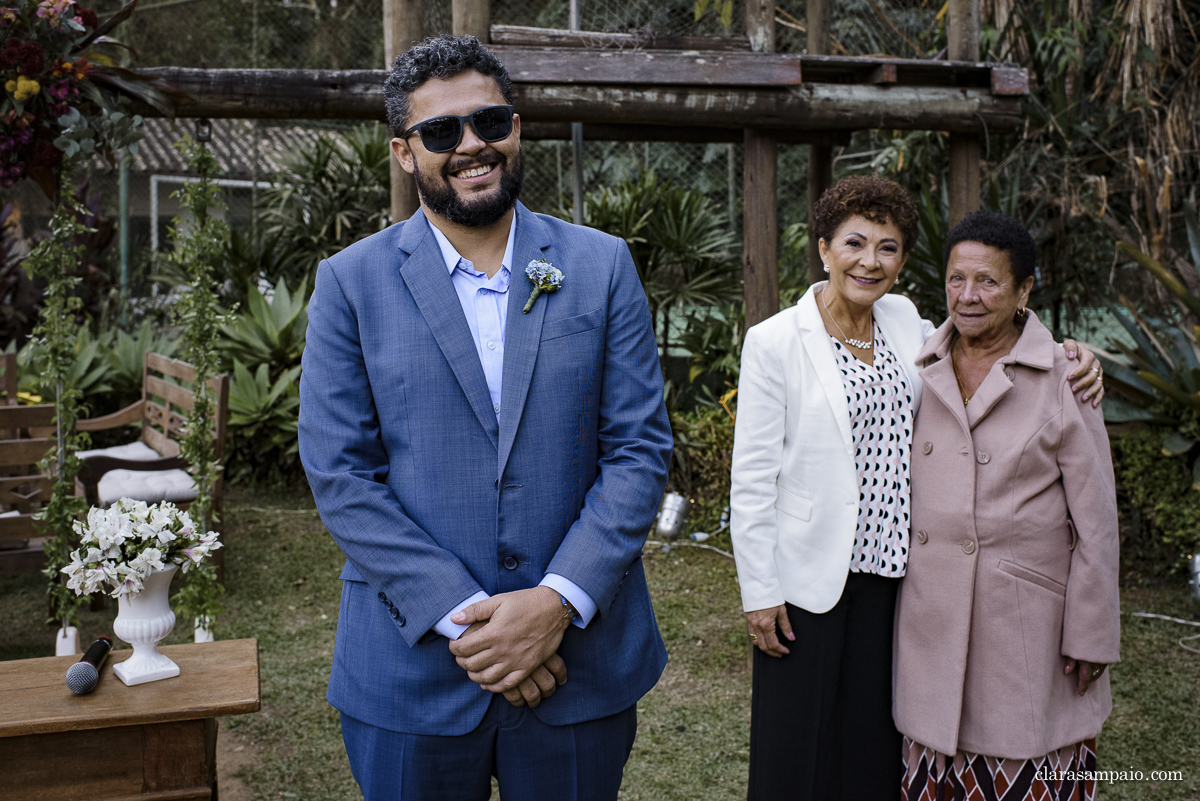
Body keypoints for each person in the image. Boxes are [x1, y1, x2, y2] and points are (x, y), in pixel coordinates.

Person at [298, 34, 672, 801]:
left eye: (491, 122)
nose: (473, 145)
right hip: (413, 675)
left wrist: (553, 604)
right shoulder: (350, 284)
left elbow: (637, 450)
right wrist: (478, 626)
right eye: (442, 132)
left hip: (579, 665)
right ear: (405, 152)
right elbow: (341, 473)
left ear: (517, 127)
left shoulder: (600, 267)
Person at [729, 177, 1103, 801]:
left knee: (874, 748)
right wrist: (759, 592)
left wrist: (1077, 354)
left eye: (888, 247)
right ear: (824, 248)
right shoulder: (774, 341)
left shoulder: (907, 323)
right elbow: (751, 478)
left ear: (903, 262)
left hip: (897, 576)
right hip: (806, 578)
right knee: (794, 752)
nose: (869, 261)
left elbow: (999, 346)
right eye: (855, 242)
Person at [894, 210, 1120, 801]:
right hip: (931, 614)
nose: (967, 296)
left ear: (1024, 290)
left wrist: (1092, 632)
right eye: (955, 279)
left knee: (1029, 766)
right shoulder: (917, 364)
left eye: (989, 281)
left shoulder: (1065, 377)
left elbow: (1097, 522)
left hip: (1025, 624)